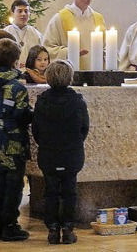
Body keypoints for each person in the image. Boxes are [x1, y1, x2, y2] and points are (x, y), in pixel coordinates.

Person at [0, 38, 33, 241]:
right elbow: (20, 115)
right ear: (15, 61)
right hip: (11, 142)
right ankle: (9, 225)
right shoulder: (17, 88)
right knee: (13, 184)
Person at [32, 59, 89, 245]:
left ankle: (53, 229)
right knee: (70, 191)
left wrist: (45, 143)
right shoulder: (77, 101)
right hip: (71, 152)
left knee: (50, 191)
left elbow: (36, 129)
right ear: (71, 78)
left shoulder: (42, 101)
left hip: (49, 152)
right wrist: (75, 143)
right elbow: (84, 128)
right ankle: (68, 227)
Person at [43, 0, 106, 70]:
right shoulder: (60, 18)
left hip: (96, 74)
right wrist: (71, 52)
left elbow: (106, 47)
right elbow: (48, 49)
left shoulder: (98, 18)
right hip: (69, 75)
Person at [4, 0, 43, 69]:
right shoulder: (5, 33)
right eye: (20, 11)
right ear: (12, 14)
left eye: (26, 11)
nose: (23, 14)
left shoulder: (36, 34)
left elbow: (42, 55)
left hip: (32, 72)